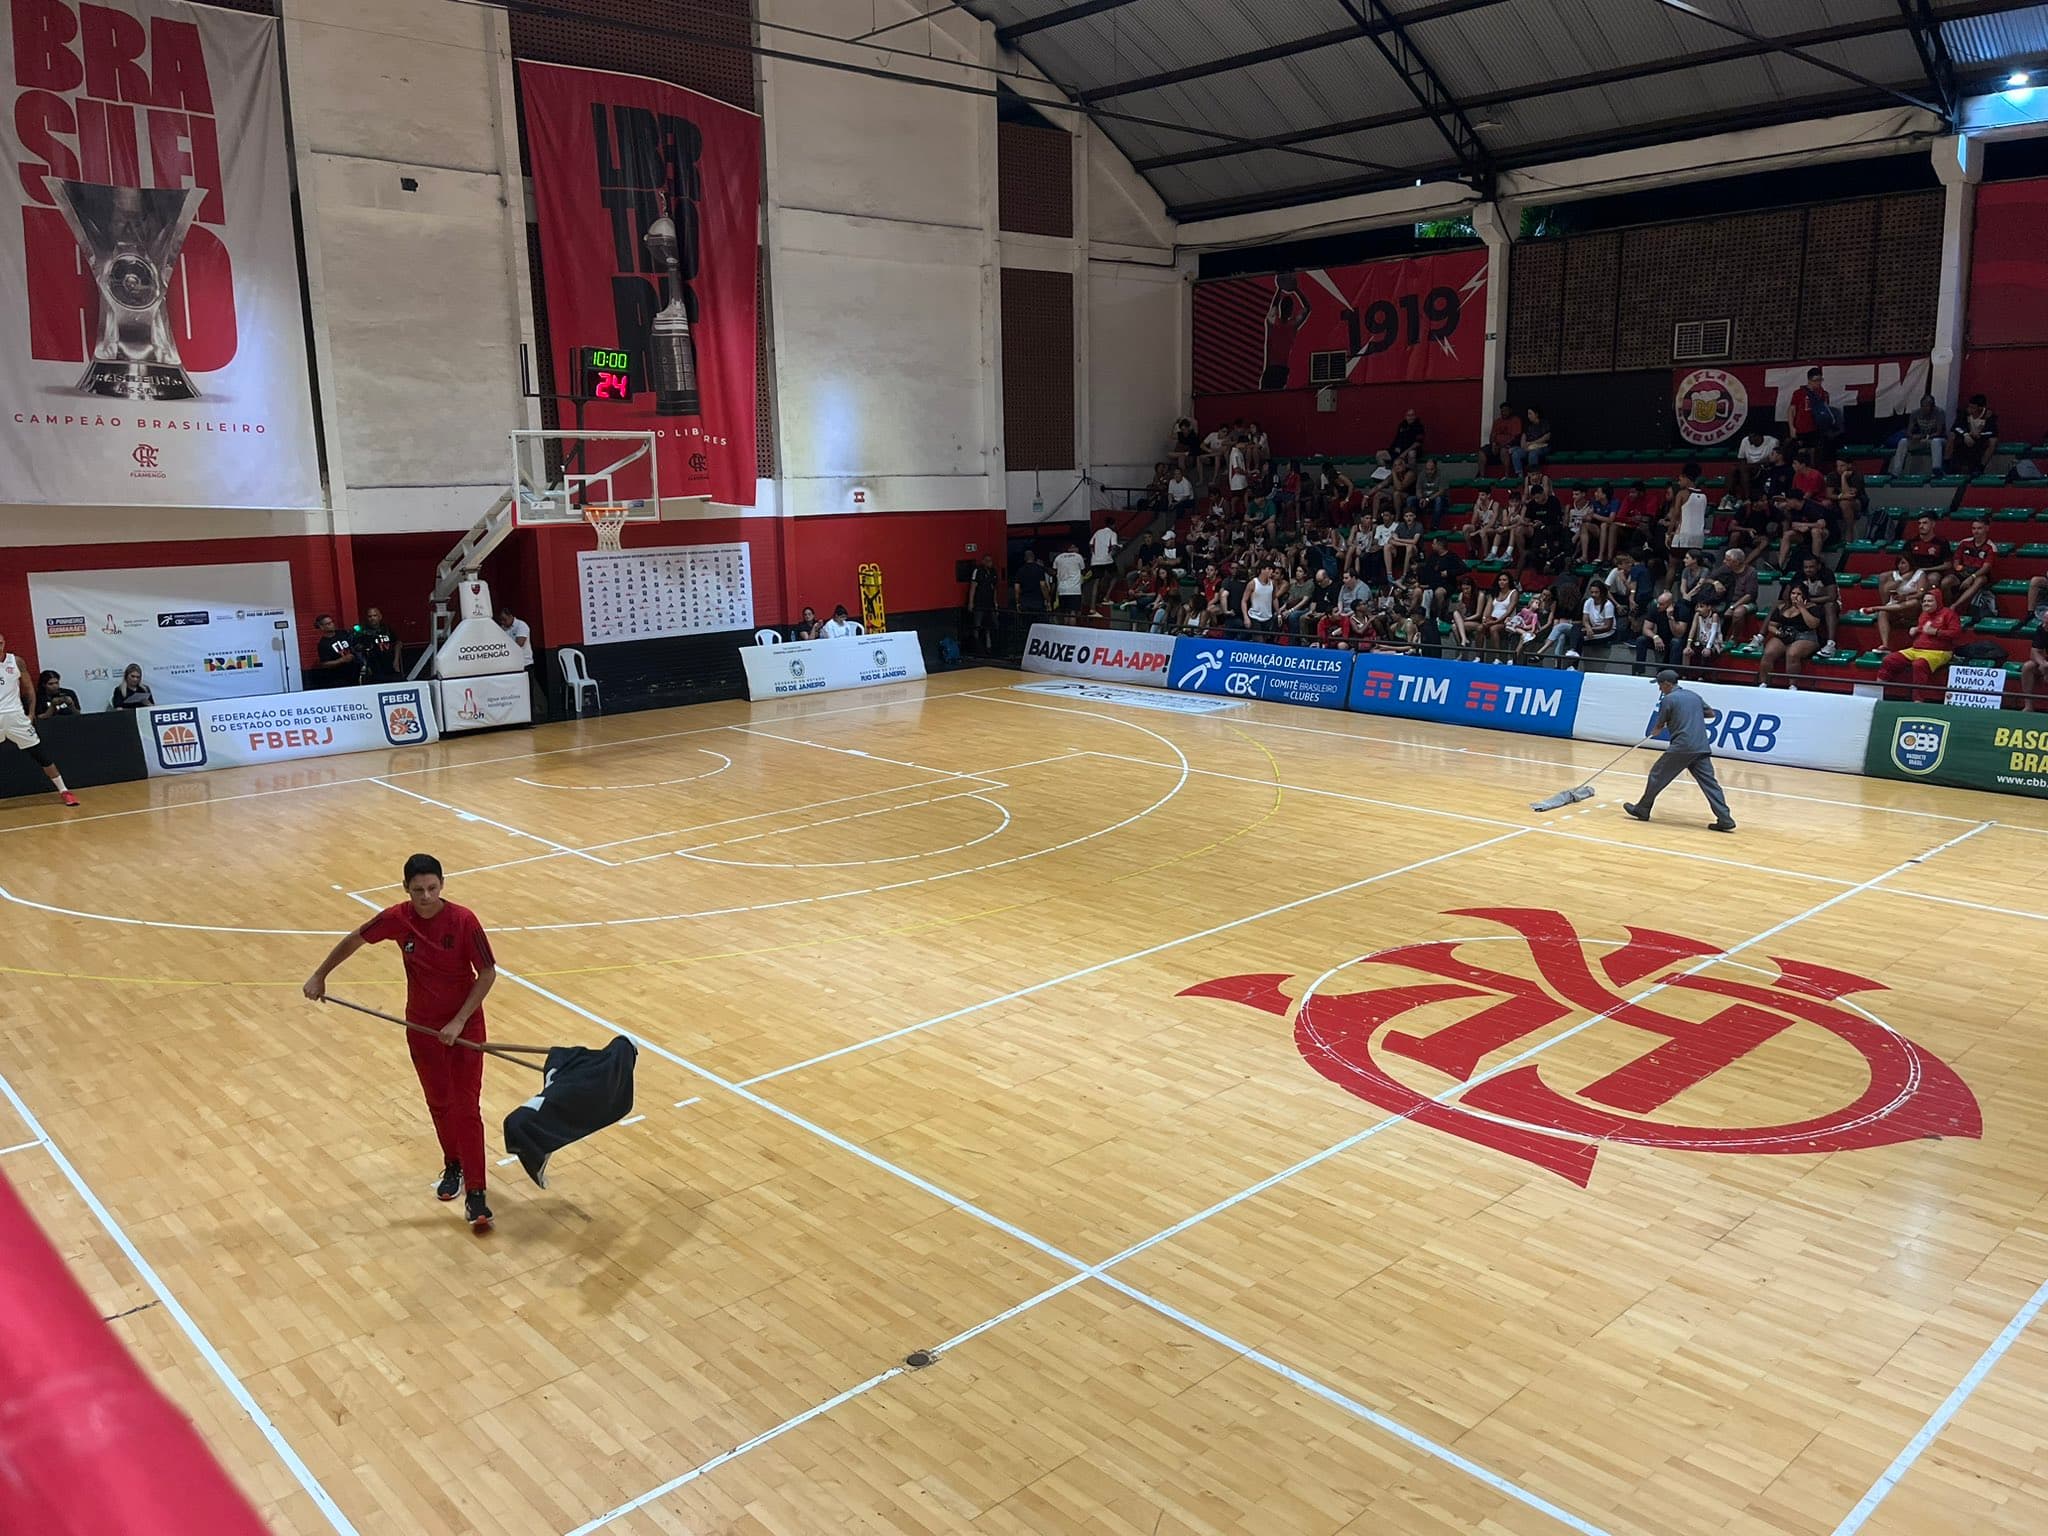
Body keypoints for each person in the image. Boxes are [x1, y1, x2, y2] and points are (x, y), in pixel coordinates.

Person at [303, 853, 498, 1233]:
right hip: (421, 1027)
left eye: (432, 888)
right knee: (439, 1102)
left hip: (464, 1028)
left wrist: (459, 1020)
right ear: (405, 888)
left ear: (442, 885)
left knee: (466, 1107)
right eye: (418, 890)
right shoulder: (397, 918)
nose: (426, 897)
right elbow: (354, 939)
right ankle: (454, 1164)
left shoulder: (464, 921)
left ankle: (477, 1191)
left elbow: (488, 973)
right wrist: (320, 974)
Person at [1625, 670, 1735, 832]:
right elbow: (1711, 713)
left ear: (1667, 684)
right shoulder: (1693, 696)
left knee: (1657, 775)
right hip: (1701, 746)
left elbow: (1659, 725)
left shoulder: (1668, 699)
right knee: (1710, 783)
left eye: (1660, 685)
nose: (1659, 689)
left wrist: (1655, 731)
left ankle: (1642, 808)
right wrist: (1691, 714)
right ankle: (1725, 818)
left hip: (1682, 746)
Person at [0, 633, 80, 806]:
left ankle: (64, 791)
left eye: (0, 643)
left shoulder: (16, 662)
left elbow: (29, 689)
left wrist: (30, 714)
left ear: (4, 643)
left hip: (15, 716)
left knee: (40, 754)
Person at [1876, 589, 1962, 701]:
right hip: (1916, 649)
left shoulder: (1949, 614)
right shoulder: (1923, 615)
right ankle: (1877, 691)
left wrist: (1936, 632)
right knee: (1889, 659)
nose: (1926, 603)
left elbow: (1956, 633)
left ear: (1938, 601)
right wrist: (1916, 630)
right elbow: (1924, 629)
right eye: (1924, 601)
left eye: (1930, 601)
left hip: (1939, 651)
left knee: (1919, 664)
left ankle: (1918, 700)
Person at [497, 606, 542, 720]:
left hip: (525, 663)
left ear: (511, 616)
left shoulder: (522, 626)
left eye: (504, 619)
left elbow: (519, 643)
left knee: (528, 692)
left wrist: (504, 644)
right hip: (511, 665)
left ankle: (531, 717)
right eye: (501, 620)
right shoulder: (502, 628)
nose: (503, 622)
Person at [1892, 394, 1947, 477]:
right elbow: (1908, 431)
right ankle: (1896, 471)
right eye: (1924, 406)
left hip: (1936, 439)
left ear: (1933, 406)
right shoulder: (1915, 413)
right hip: (1921, 440)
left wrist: (1924, 436)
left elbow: (1938, 433)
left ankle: (1936, 469)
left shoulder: (1939, 412)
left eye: (1928, 406)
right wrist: (1912, 436)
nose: (1926, 408)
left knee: (1936, 442)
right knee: (1903, 442)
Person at [310, 614, 360, 689]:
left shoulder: (343, 633)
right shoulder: (323, 644)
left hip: (354, 672)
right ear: (322, 627)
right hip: (338, 677)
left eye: (332, 622)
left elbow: (353, 644)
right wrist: (341, 660)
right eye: (328, 624)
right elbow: (324, 664)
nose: (332, 625)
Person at [353, 607, 401, 683]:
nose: (372, 618)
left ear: (380, 617)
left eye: (375, 615)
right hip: (374, 667)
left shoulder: (387, 628)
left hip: (390, 663)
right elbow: (357, 649)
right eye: (370, 616)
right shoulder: (362, 632)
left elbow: (397, 643)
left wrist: (396, 661)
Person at [965, 556, 1000, 654]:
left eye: (991, 561)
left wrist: (995, 603)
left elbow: (994, 589)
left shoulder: (993, 572)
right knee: (977, 625)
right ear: (983, 561)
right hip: (979, 603)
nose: (990, 563)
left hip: (990, 603)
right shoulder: (978, 571)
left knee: (992, 624)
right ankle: (976, 646)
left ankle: (990, 646)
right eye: (987, 561)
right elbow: (973, 587)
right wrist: (971, 602)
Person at [1086, 521, 1120, 613]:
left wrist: (1094, 554)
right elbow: (1114, 546)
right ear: (1113, 525)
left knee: (1096, 582)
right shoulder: (1113, 533)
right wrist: (1110, 555)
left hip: (1095, 560)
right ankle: (1107, 596)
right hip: (1107, 559)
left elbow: (1090, 544)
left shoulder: (1097, 532)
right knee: (1116, 575)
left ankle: (1092, 607)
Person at [1051, 541, 1086, 620]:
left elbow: (1054, 571)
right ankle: (1072, 627)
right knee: (1073, 612)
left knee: (1066, 612)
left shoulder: (1058, 557)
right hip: (1075, 590)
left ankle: (1065, 626)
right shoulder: (1078, 557)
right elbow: (1083, 570)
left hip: (1062, 589)